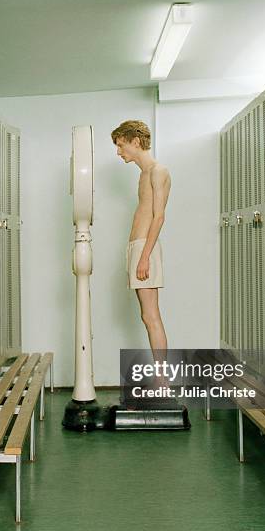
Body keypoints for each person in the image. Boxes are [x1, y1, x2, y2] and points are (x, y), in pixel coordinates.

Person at [111, 120, 171, 357]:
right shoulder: (144, 173)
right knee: (147, 316)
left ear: (135, 141)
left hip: (146, 248)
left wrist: (145, 257)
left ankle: (162, 381)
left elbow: (159, 217)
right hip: (137, 247)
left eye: (121, 145)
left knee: (151, 316)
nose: (118, 152)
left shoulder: (158, 171)